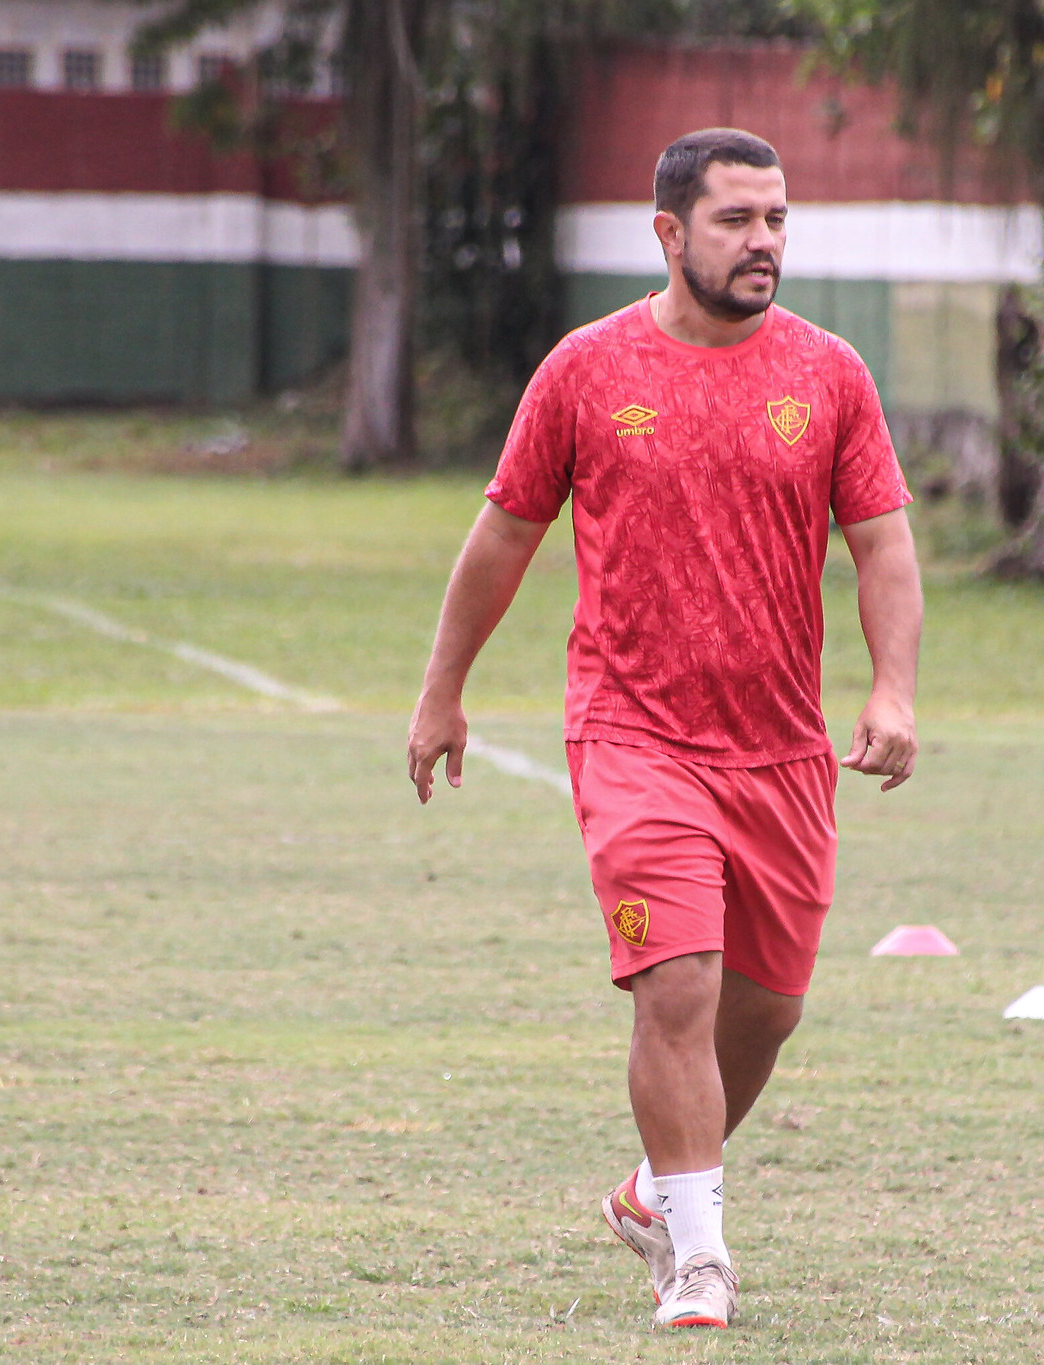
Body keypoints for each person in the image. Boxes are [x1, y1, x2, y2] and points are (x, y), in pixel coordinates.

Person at [407, 127, 923, 1330]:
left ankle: (653, 1190)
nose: (763, 242)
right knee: (677, 986)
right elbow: (504, 535)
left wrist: (890, 691)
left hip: (780, 746)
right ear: (667, 232)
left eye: (776, 219)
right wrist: (442, 689)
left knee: (766, 1009)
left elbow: (882, 545)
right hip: (632, 734)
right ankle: (698, 1257)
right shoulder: (586, 370)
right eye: (736, 220)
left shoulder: (830, 373)